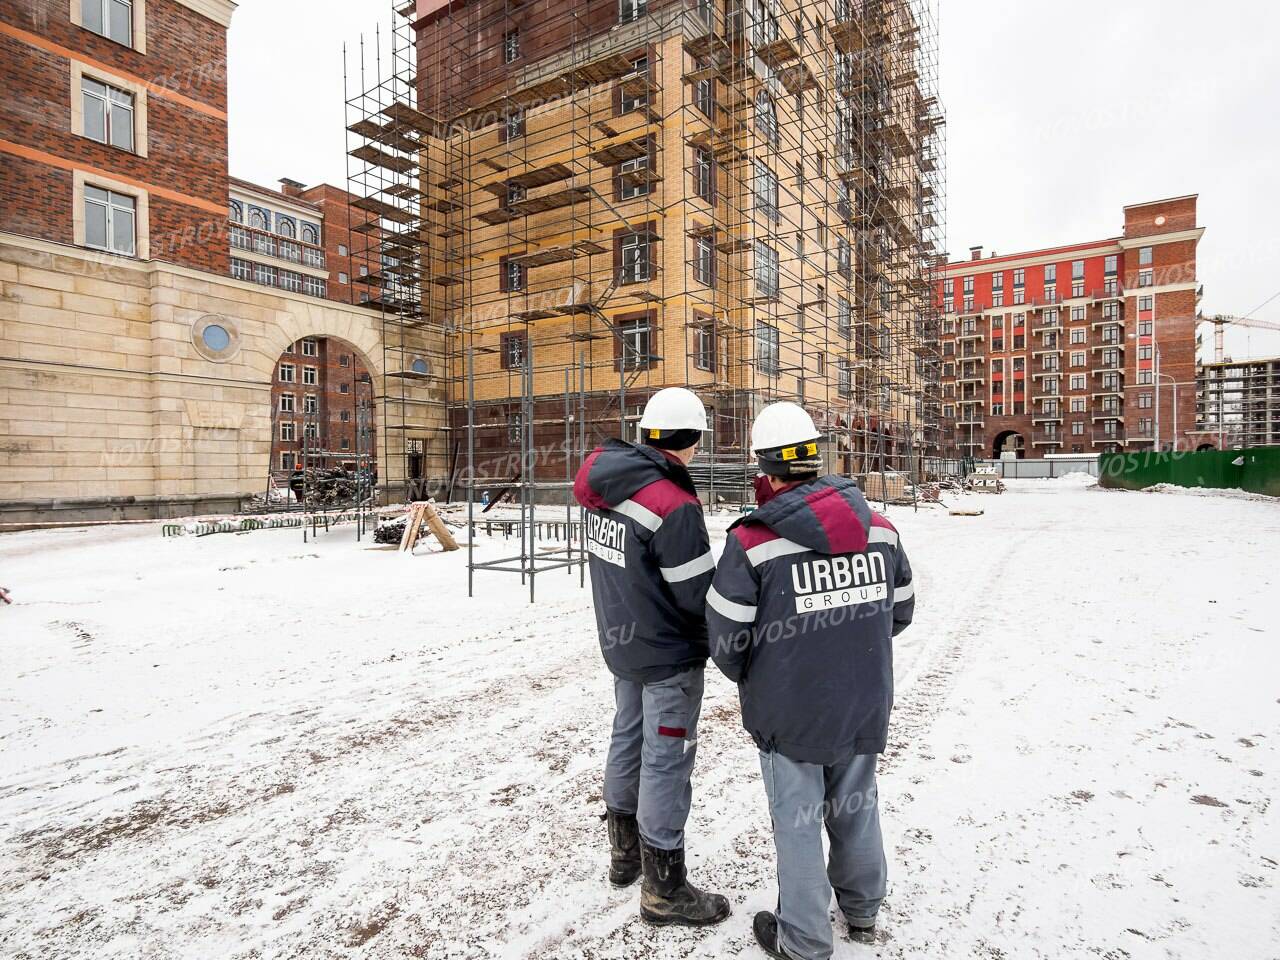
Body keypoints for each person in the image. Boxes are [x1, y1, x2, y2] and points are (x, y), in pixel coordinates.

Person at [706, 402, 915, 959]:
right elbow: (900, 611)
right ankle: (863, 911)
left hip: (790, 712)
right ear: (815, 460)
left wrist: (761, 677)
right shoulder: (882, 529)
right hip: (864, 702)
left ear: (763, 471)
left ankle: (802, 940)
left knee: (798, 821)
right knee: (857, 801)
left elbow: (727, 638)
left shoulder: (752, 541)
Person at [572, 387, 730, 928]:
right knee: (666, 759)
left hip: (622, 643)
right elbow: (697, 594)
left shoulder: (606, 483)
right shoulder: (673, 504)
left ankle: (624, 858)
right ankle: (664, 889)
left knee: (626, 737)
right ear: (693, 439)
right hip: (668, 655)